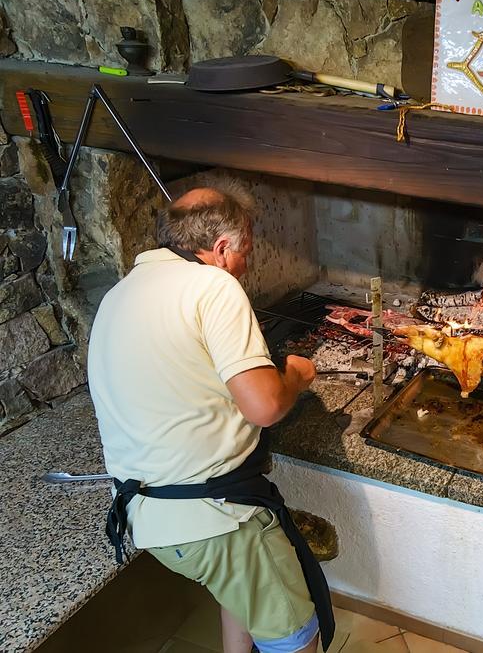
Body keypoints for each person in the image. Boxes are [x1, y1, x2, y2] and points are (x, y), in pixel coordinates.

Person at [88, 186, 334, 653]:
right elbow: (264, 407)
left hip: (147, 516)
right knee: (295, 638)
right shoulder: (213, 285)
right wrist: (295, 377)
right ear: (221, 249)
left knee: (237, 596)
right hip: (216, 517)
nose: (246, 266)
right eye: (247, 253)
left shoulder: (121, 293)